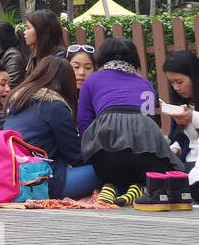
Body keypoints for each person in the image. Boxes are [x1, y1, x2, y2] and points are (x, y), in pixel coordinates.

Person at [78, 37, 184, 207]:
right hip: (144, 157)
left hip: (106, 155)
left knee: (111, 165)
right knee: (159, 167)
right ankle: (138, 187)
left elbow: (84, 121)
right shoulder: (146, 84)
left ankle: (111, 186)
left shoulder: (92, 80)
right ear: (134, 59)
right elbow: (148, 119)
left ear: (102, 58)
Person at [4, 57, 97, 199]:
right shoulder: (55, 106)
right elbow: (75, 155)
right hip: (41, 181)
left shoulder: (17, 100)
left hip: (10, 177)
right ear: (67, 83)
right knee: (103, 170)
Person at [162, 51, 199, 179]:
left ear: (195, 77)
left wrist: (192, 117)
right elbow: (179, 138)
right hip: (186, 163)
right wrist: (174, 148)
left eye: (179, 82)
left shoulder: (189, 112)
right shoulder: (180, 105)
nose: (176, 87)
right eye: (172, 82)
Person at [22, 9, 65, 75]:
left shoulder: (58, 60)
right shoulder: (35, 55)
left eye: (28, 28)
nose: (24, 32)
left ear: (41, 30)